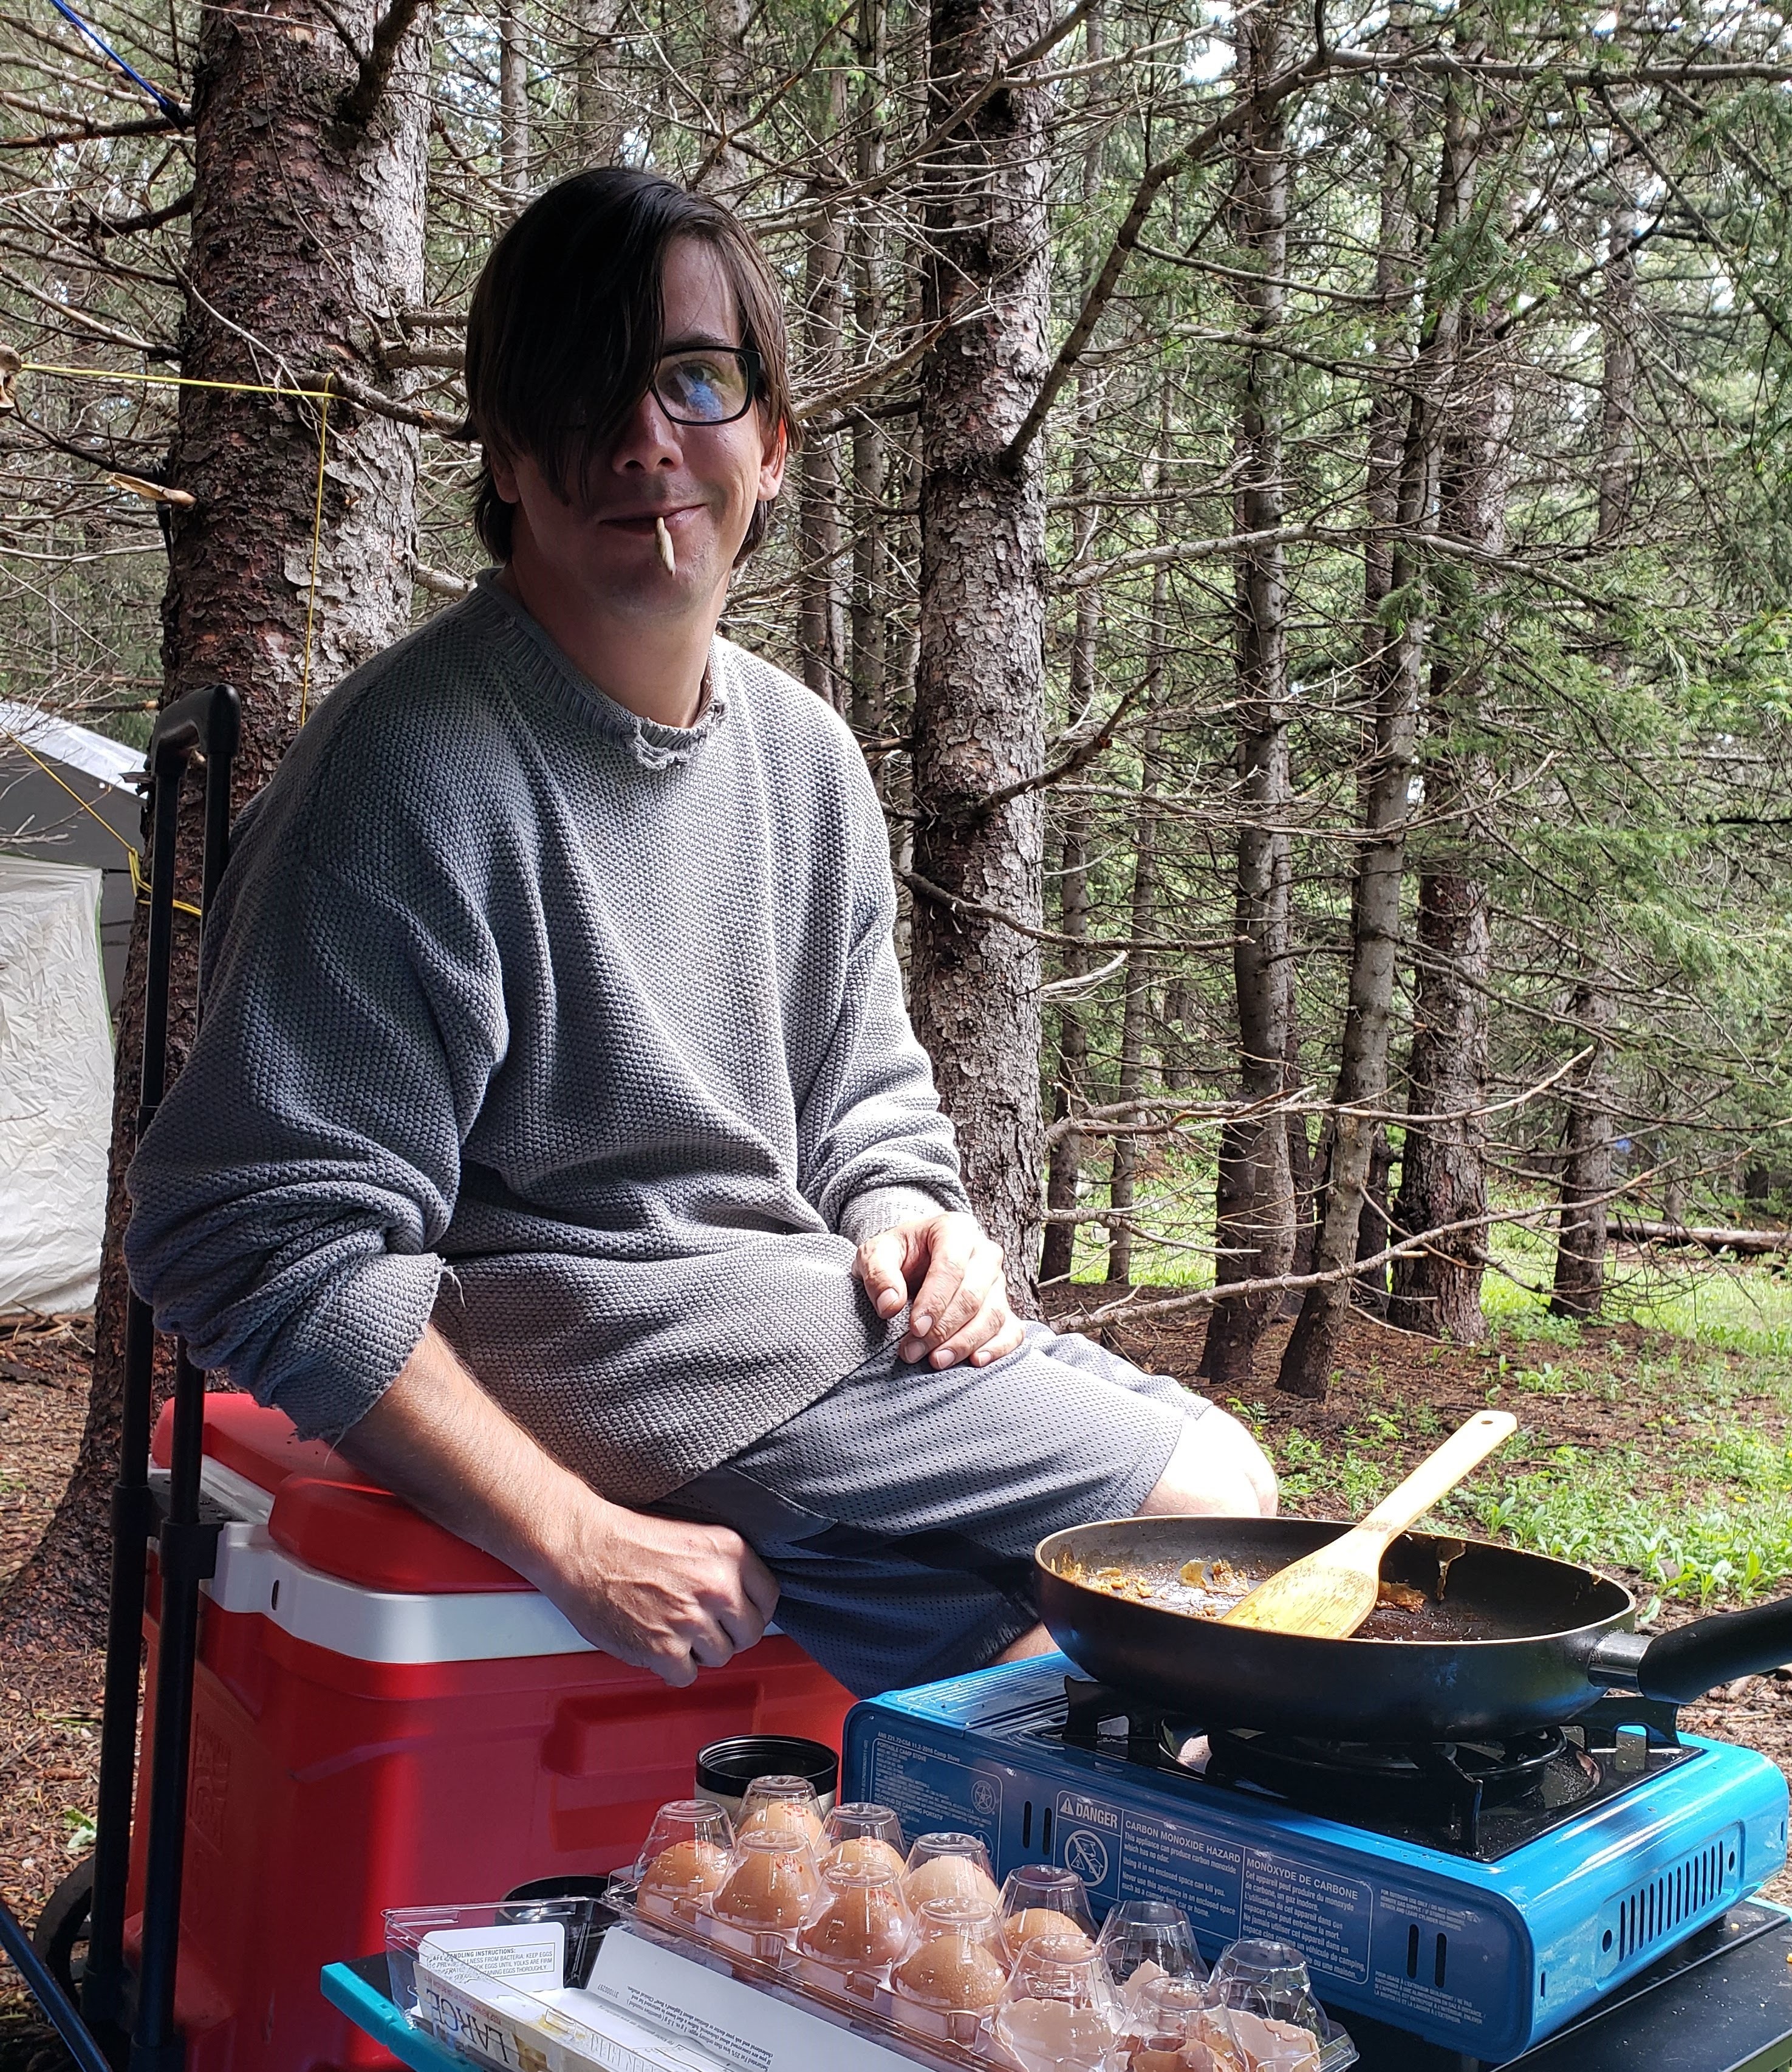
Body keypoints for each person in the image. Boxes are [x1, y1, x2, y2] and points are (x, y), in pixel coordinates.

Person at [126, 168, 1277, 1700]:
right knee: (1207, 1515)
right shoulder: (409, 772)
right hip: (601, 1353)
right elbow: (244, 1237)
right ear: (506, 453)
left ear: (773, 442)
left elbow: (865, 1096)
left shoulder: (805, 756)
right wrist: (570, 1534)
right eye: (583, 385)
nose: (643, 437)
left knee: (1074, 1641)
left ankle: (948, 1853)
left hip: (800, 1329)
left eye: (694, 378)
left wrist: (912, 1214)